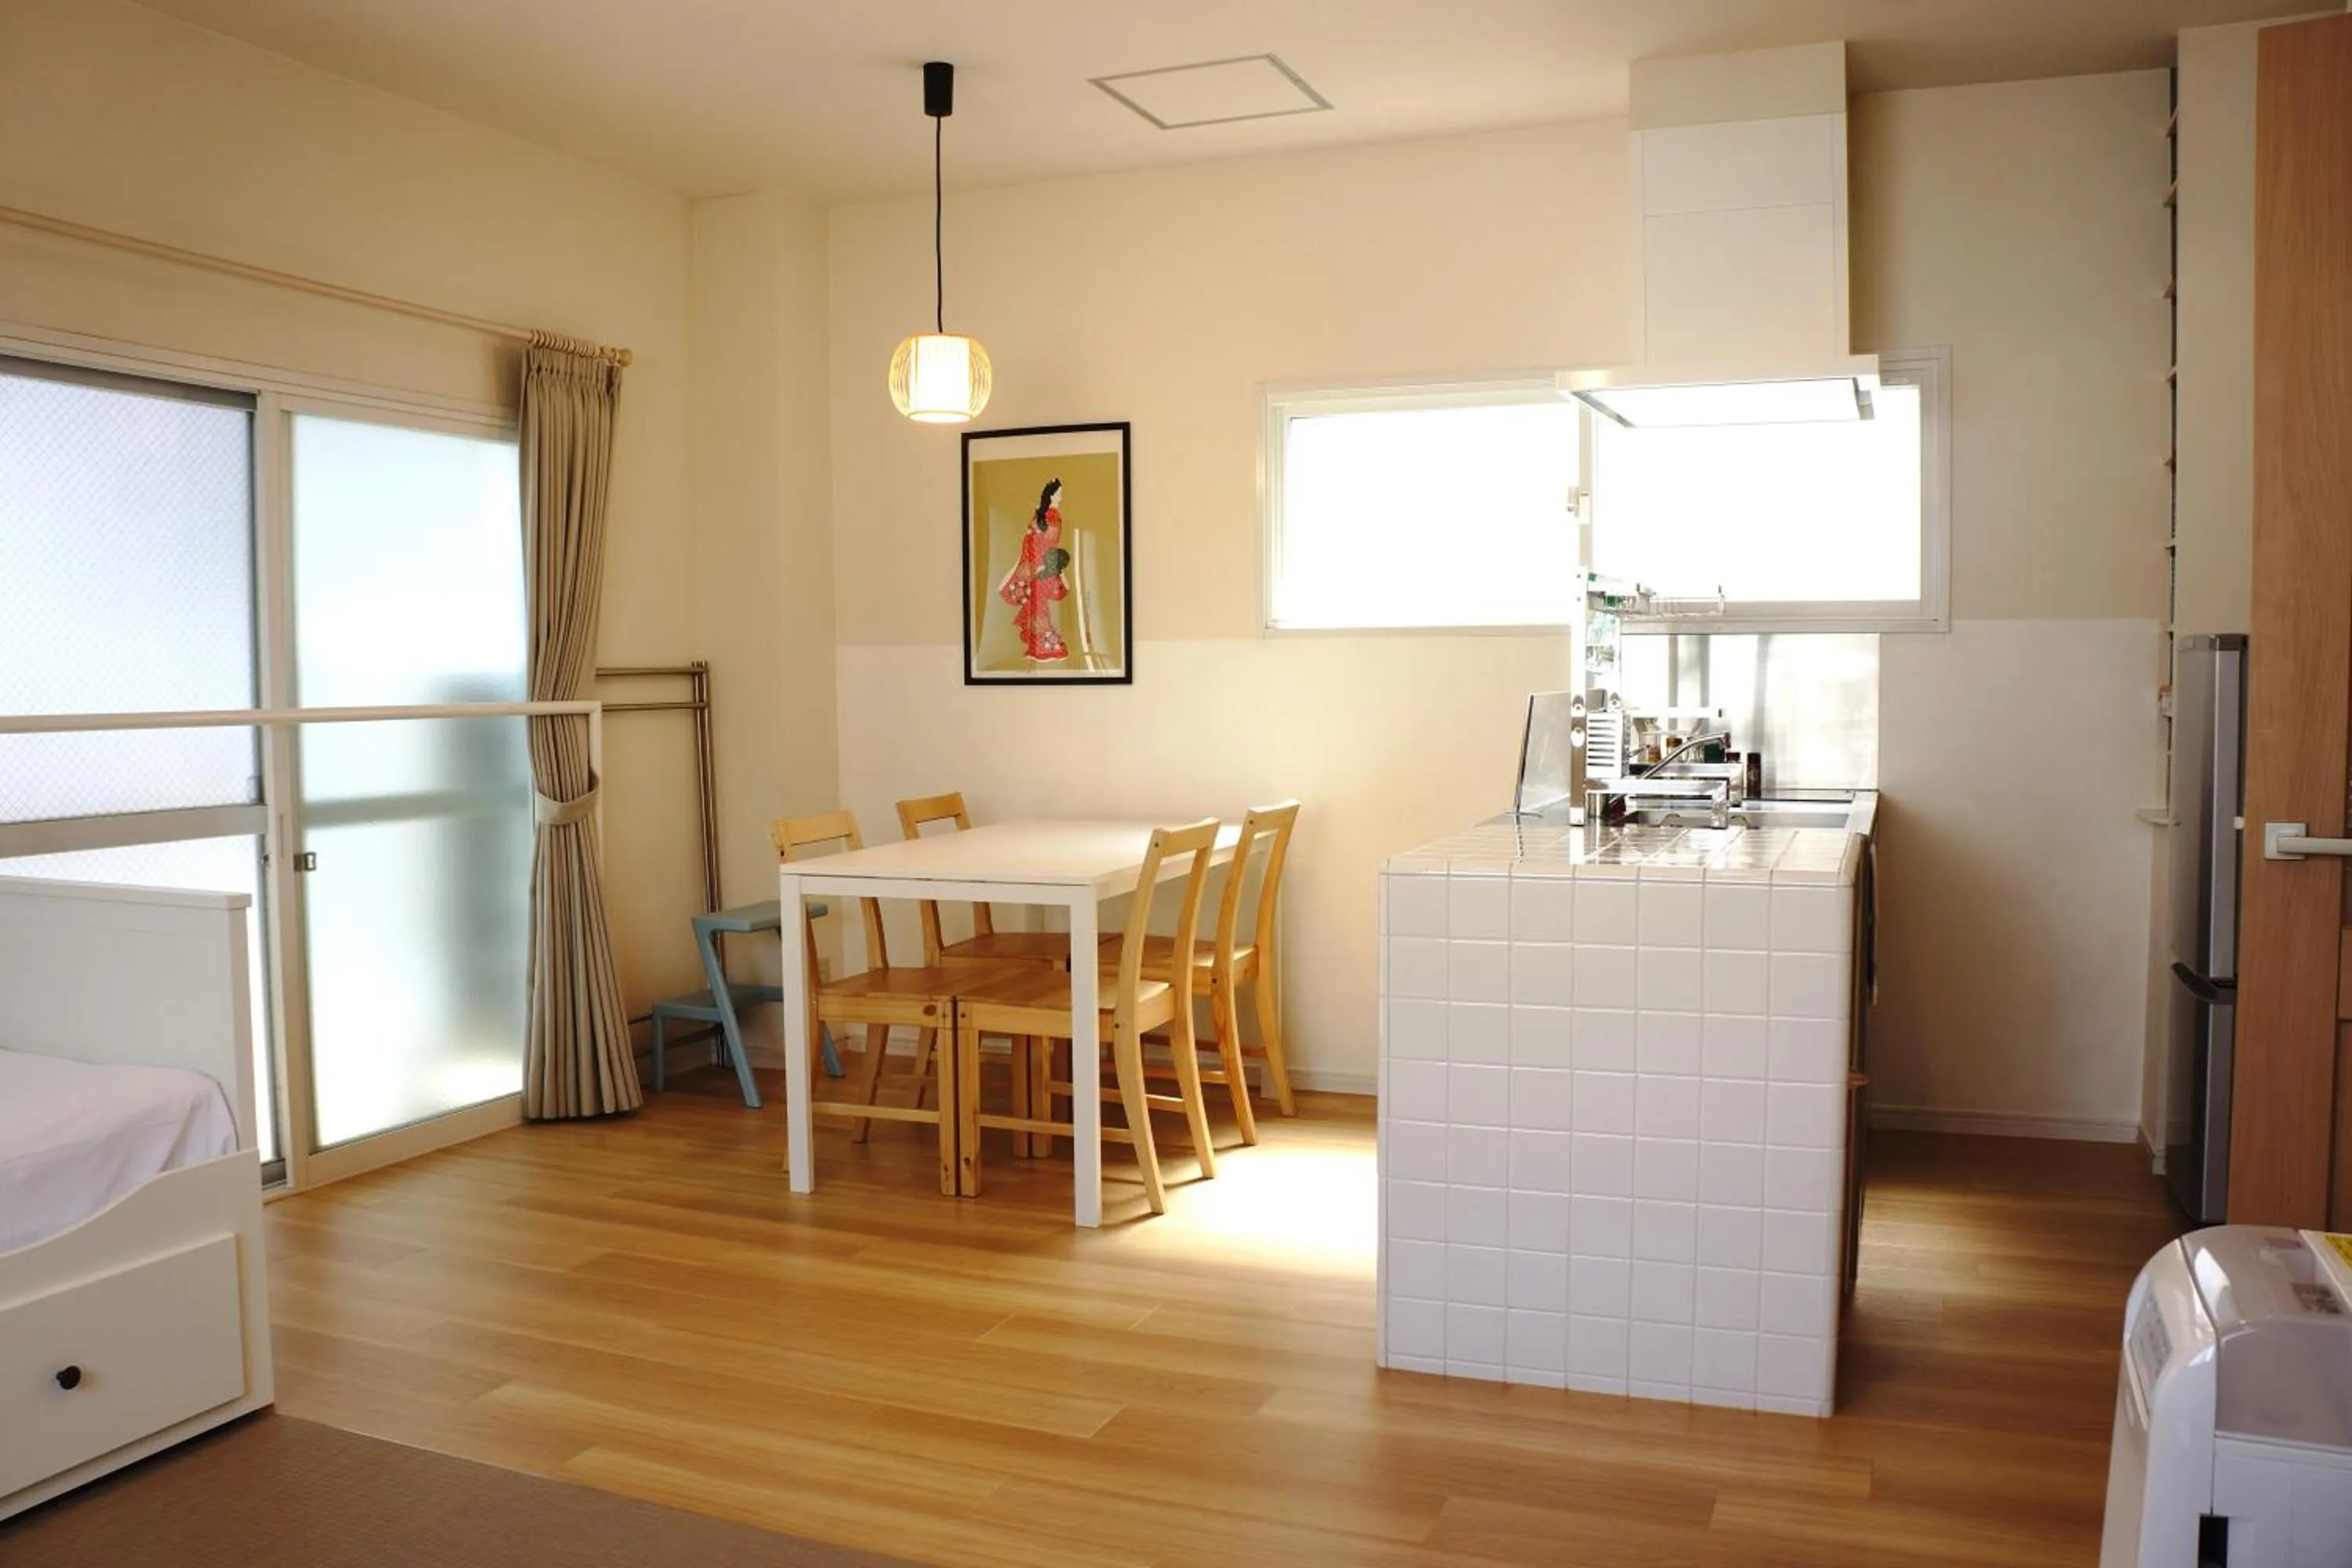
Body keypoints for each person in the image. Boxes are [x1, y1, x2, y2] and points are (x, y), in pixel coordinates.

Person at [996, 477, 1070, 662]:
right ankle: (1042, 644)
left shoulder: (1049, 515)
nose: (1061, 497)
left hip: (1041, 565)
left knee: (1039, 605)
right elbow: (1043, 540)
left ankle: (1043, 644)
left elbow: (1045, 541)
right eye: (1059, 493)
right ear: (1051, 495)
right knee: (1038, 605)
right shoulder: (1050, 515)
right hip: (1039, 565)